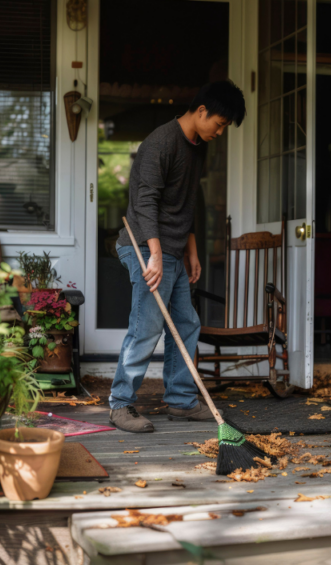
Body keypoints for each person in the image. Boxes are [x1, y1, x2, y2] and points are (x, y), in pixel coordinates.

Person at [109, 80, 246, 433]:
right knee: (147, 325)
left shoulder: (197, 147)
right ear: (201, 111)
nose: (220, 132)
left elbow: (187, 203)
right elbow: (145, 203)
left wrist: (192, 251)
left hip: (171, 248)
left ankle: (181, 401)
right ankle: (120, 404)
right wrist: (155, 254)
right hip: (144, 245)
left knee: (186, 323)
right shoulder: (161, 142)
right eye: (219, 123)